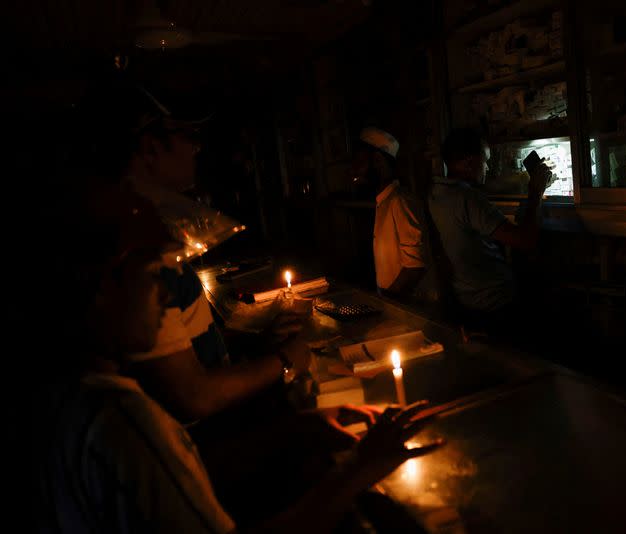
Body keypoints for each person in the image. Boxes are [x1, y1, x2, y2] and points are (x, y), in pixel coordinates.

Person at [28, 185, 443, 533]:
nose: (167, 295)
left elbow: (187, 473)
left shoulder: (63, 395)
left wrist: (298, 429)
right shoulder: (121, 420)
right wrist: (361, 470)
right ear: (104, 286)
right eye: (154, 275)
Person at [76, 78, 309, 423]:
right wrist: (284, 360)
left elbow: (188, 347)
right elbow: (191, 396)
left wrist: (257, 342)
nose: (197, 149)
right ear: (150, 147)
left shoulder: (150, 230)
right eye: (188, 136)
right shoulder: (134, 251)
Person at [427, 128, 552, 319]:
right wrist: (536, 191)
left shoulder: (436, 192)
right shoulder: (468, 198)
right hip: (494, 301)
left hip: (465, 297)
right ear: (470, 162)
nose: (487, 168)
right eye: (485, 161)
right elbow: (525, 240)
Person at [352, 127, 428, 299]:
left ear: (378, 161)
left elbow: (415, 267)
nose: (355, 172)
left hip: (410, 309)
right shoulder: (383, 202)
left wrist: (388, 303)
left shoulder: (399, 200)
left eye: (360, 163)